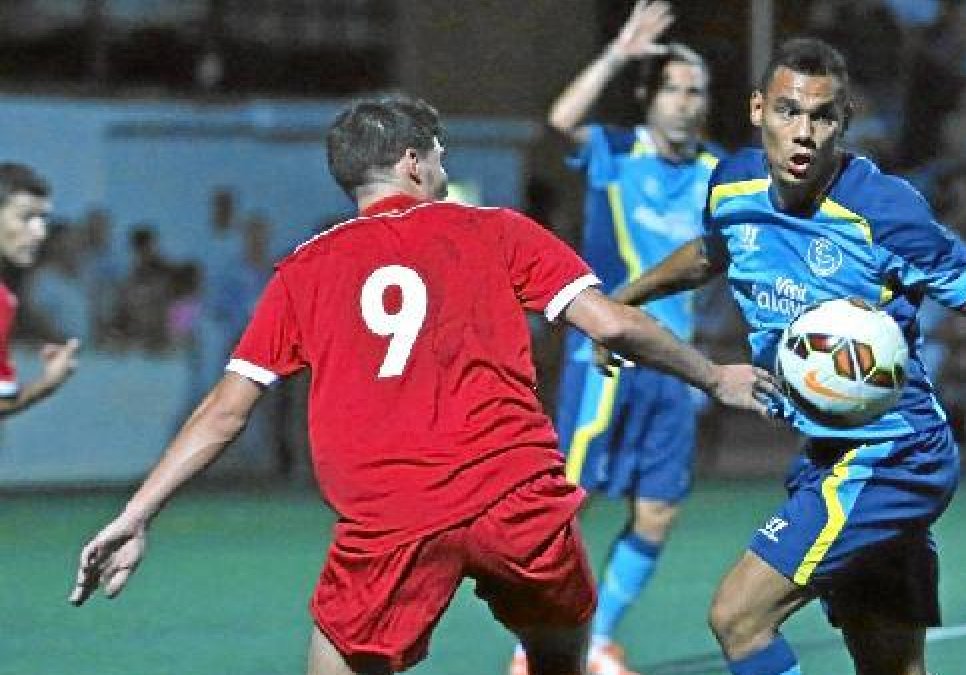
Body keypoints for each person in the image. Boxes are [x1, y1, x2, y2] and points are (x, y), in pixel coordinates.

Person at [67, 94, 776, 675]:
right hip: (516, 497)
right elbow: (613, 326)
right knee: (559, 652)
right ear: (412, 160)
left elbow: (227, 411)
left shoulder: (303, 271)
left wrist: (138, 512)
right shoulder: (497, 229)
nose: (443, 165)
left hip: (390, 518)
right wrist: (715, 376)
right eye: (439, 152)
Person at [602, 39, 966, 675]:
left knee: (738, 617)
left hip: (893, 456)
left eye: (822, 117)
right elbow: (708, 254)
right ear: (759, 110)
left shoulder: (885, 211)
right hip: (829, 454)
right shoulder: (732, 184)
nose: (803, 133)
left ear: (845, 121)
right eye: (787, 111)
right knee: (889, 666)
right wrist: (623, 301)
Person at [514, 4, 719, 674]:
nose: (688, 104)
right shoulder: (614, 153)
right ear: (648, 96)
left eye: (698, 92)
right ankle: (537, 645)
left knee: (658, 509)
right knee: (571, 503)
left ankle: (594, 639)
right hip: (603, 357)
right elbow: (559, 121)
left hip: (674, 363)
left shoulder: (719, 174)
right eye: (675, 89)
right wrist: (617, 54)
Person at [0, 162, 79, 417]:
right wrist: (48, 383)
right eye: (26, 217)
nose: (40, 232)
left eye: (43, 218)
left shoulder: (6, 299)